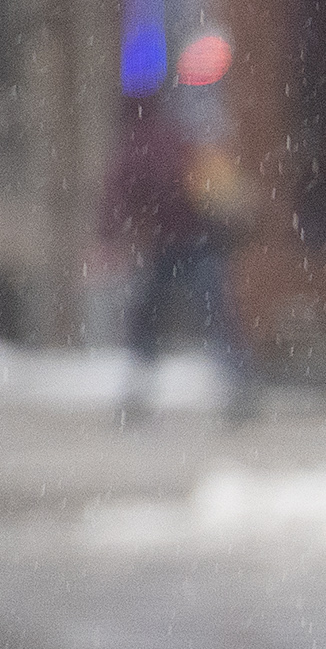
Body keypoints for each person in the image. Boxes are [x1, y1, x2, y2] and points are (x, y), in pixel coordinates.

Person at [98, 94, 254, 422]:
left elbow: (116, 196)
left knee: (147, 316)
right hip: (200, 239)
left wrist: (111, 235)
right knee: (215, 312)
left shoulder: (133, 147)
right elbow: (213, 186)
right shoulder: (182, 139)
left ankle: (138, 389)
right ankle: (236, 383)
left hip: (162, 244)